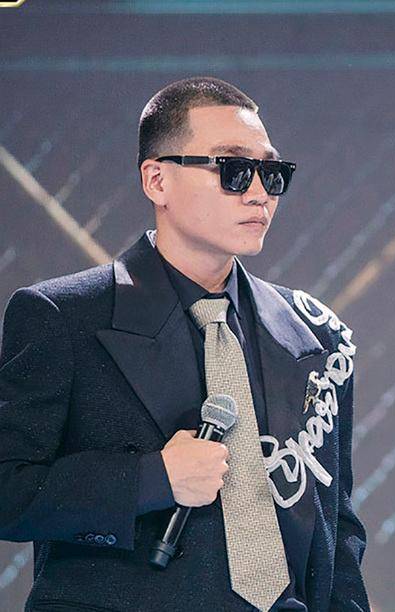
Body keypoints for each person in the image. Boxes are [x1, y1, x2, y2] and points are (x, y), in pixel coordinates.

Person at [0, 76, 369, 611]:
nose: (259, 193)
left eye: (272, 174)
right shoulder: (63, 316)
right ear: (157, 180)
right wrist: (152, 478)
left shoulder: (315, 333)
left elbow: (338, 524)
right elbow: (8, 488)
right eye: (233, 169)